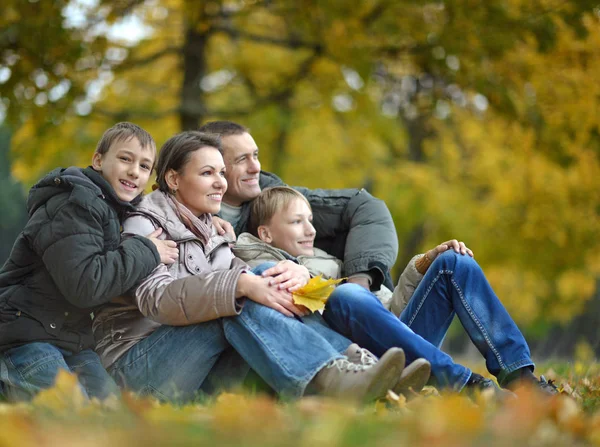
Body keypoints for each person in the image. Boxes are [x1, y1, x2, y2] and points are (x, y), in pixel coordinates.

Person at [92, 130, 407, 403]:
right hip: (138, 370)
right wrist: (240, 285)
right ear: (174, 179)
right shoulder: (143, 222)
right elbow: (156, 299)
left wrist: (298, 272)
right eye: (207, 174)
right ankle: (341, 374)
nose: (220, 183)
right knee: (242, 288)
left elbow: (255, 284)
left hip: (196, 368)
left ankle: (355, 367)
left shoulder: (212, 230)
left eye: (221, 173)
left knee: (262, 280)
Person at [235, 186, 558, 396]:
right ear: (265, 233)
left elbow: (390, 315)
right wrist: (310, 276)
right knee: (348, 295)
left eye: (310, 220)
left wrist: (425, 264)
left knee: (454, 262)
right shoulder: (261, 266)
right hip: (359, 364)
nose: (311, 229)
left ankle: (520, 376)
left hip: (402, 347)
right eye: (296, 222)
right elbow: (308, 311)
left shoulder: (325, 259)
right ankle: (465, 385)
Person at [0, 122, 178, 401]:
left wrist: (213, 221)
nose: (135, 171)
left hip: (73, 340)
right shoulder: (75, 205)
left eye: (145, 166)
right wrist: (147, 250)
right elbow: (86, 285)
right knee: (75, 416)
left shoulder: (117, 209)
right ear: (98, 160)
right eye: (125, 159)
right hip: (25, 334)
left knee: (114, 419)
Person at [197, 120, 396, 306]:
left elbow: (364, 206)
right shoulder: (183, 216)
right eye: (242, 159)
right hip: (254, 310)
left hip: (340, 297)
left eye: (255, 156)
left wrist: (359, 284)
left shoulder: (274, 197)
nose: (256, 167)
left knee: (423, 272)